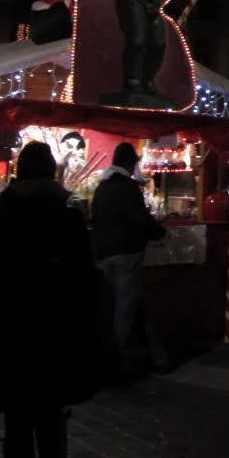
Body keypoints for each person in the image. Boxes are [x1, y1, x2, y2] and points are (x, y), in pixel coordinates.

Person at [0, 142, 100, 458]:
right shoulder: (69, 216)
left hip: (10, 335)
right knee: (51, 421)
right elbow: (84, 281)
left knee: (16, 423)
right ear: (50, 171)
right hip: (57, 333)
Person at [91, 142, 169, 375]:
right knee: (123, 310)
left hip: (104, 253)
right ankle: (116, 363)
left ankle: (152, 355)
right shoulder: (128, 187)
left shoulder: (102, 187)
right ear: (131, 163)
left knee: (119, 305)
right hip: (127, 253)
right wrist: (159, 231)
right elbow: (139, 218)